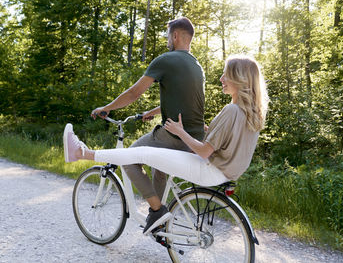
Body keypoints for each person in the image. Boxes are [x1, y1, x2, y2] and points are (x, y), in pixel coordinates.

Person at [64, 55, 269, 235]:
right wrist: (207, 130)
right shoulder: (251, 113)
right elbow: (228, 143)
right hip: (223, 174)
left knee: (141, 153)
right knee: (152, 159)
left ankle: (81, 152)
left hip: (207, 168)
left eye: (226, 75)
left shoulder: (231, 110)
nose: (221, 79)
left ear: (239, 79)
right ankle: (158, 215)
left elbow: (206, 151)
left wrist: (180, 132)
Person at [90, 17, 205, 216]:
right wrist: (150, 113)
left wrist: (106, 107)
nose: (167, 40)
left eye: (168, 36)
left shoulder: (166, 60)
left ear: (175, 36)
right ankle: (156, 221)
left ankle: (157, 209)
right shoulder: (196, 65)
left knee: (128, 159)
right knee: (159, 170)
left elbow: (134, 93)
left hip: (174, 136)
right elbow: (182, 102)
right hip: (194, 139)